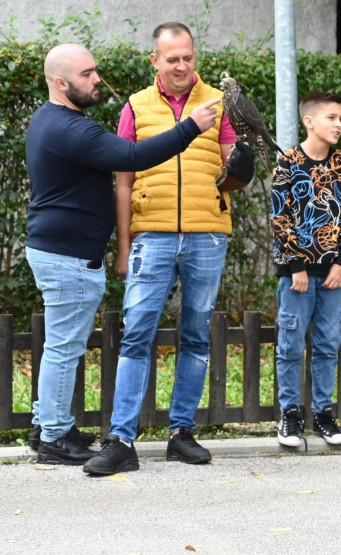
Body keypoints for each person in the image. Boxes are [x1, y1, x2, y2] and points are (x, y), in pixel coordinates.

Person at [23, 44, 219, 466]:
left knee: (63, 344)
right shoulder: (68, 128)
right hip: (67, 256)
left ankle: (49, 423)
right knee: (63, 347)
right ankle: (54, 438)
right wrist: (191, 126)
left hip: (62, 252)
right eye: (88, 74)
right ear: (61, 83)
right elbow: (133, 156)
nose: (98, 80)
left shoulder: (54, 120)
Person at [83, 22, 239, 475]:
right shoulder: (135, 105)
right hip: (151, 235)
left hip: (208, 232)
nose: (182, 66)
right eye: (172, 58)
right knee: (136, 335)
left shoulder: (219, 103)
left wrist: (241, 165)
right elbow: (123, 179)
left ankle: (181, 433)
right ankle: (121, 440)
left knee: (195, 335)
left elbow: (234, 172)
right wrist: (124, 242)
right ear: (155, 60)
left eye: (188, 57)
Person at [270, 92, 341, 447]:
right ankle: (289, 414)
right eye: (331, 117)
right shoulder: (289, 163)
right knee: (291, 344)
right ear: (309, 121)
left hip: (333, 274)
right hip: (296, 276)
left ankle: (323, 412)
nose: (338, 124)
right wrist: (297, 266)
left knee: (327, 344)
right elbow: (281, 217)